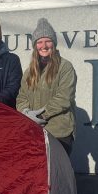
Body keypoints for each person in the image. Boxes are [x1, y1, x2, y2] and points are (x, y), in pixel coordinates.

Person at [16, 18, 77, 155]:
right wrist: (26, 113)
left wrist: (41, 115)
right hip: (34, 132)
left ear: (54, 44)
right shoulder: (29, 71)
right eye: (39, 42)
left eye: (48, 41)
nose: (44, 46)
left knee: (57, 174)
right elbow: (22, 97)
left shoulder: (65, 67)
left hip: (59, 132)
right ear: (35, 45)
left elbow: (64, 98)